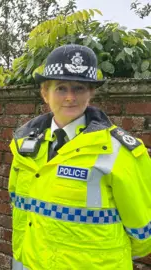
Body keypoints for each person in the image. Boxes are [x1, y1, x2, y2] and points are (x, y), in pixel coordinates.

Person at [9, 44, 151, 269]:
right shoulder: (23, 144)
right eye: (61, 88)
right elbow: (20, 208)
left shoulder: (119, 151)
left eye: (79, 88)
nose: (70, 97)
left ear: (91, 93)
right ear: (45, 93)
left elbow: (143, 234)